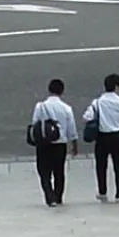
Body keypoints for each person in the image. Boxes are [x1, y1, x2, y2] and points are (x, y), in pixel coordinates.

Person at [84, 73, 119, 203]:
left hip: (102, 137)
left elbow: (87, 117)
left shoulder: (97, 102)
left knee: (101, 165)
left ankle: (102, 191)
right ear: (117, 86)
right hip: (118, 136)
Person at [27, 78, 78, 207]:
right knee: (59, 171)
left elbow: (35, 123)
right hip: (60, 143)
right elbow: (72, 129)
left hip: (44, 143)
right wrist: (74, 145)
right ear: (62, 91)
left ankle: (50, 197)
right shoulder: (66, 108)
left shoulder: (40, 106)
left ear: (49, 90)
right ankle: (58, 196)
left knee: (44, 171)